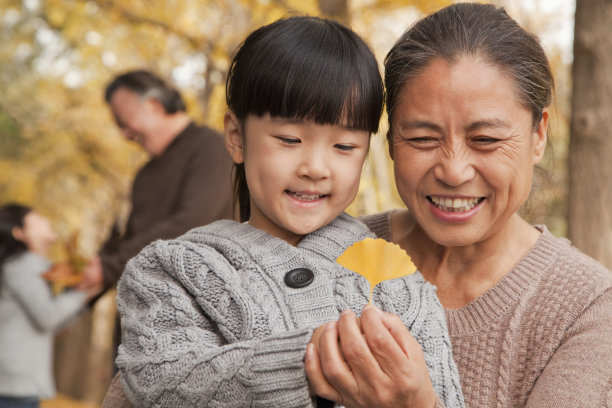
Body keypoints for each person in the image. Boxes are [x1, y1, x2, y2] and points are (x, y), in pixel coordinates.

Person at [101, 16, 464, 408]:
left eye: (344, 146)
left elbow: (443, 395)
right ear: (237, 138)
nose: (315, 167)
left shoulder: (400, 284)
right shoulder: (172, 272)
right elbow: (160, 382)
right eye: (290, 139)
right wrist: (306, 363)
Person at [349, 3, 612, 407]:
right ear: (390, 140)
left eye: (485, 140)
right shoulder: (335, 251)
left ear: (538, 134)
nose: (453, 171)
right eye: (422, 138)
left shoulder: (586, 308)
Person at [86, 69, 234, 292]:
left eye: (124, 122)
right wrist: (99, 266)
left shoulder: (213, 149)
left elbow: (191, 223)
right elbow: (132, 238)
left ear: (154, 105)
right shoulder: (144, 175)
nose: (125, 135)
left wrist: (109, 267)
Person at [0, 204, 102, 408]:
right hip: (12, 383)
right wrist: (82, 293)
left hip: (18, 381)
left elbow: (55, 324)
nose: (45, 220)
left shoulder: (35, 268)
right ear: (19, 233)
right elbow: (48, 316)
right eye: (35, 218)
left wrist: (84, 296)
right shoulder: (21, 267)